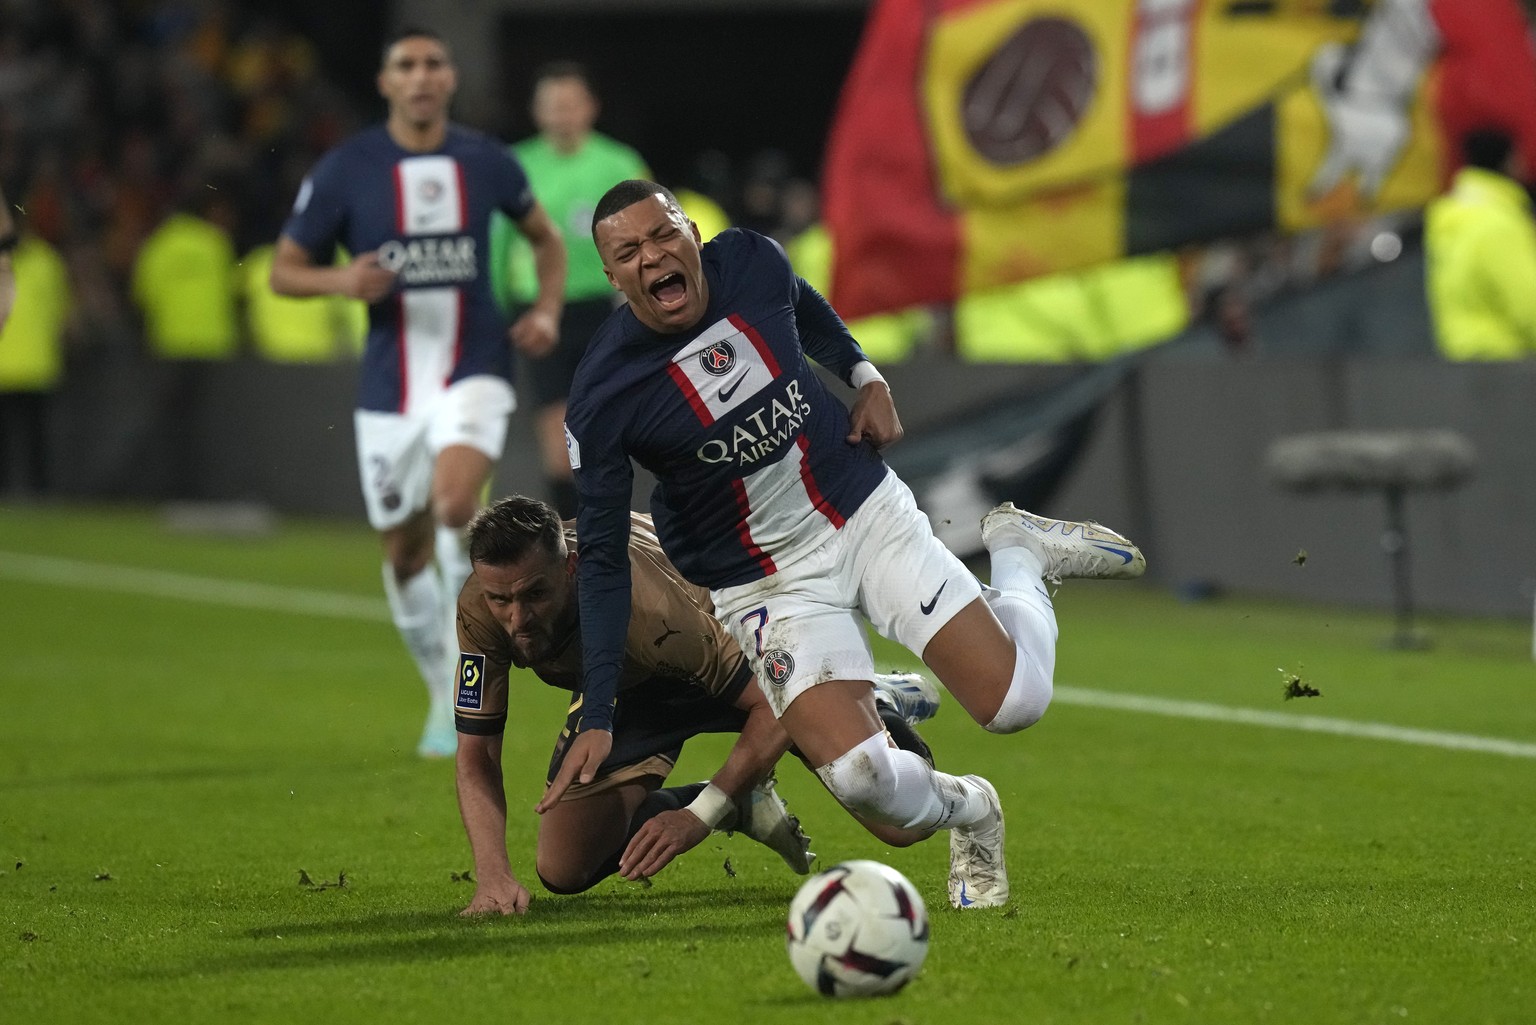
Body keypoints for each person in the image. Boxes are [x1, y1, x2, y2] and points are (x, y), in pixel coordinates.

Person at [562, 181, 1146, 910]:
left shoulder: (748, 260)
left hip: (861, 511)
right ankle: (974, 809)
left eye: (663, 234)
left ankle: (1021, 552)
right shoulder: (603, 395)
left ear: (690, 232)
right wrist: (597, 714)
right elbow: (607, 556)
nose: (653, 256)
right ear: (613, 276)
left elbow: (802, 303)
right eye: (629, 251)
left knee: (1017, 704)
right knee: (876, 794)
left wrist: (864, 373)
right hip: (766, 585)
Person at [270, 28, 568, 757]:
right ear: (386, 82)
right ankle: (441, 683)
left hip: (477, 364)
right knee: (403, 548)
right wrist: (343, 280)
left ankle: (469, 679)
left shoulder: (486, 160)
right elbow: (285, 270)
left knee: (456, 503)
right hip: (390, 389)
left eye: (434, 63)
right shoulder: (348, 169)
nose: (422, 76)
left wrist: (547, 310)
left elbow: (547, 239)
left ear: (450, 78)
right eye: (406, 64)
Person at [453, 494, 940, 913]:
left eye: (535, 595)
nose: (517, 618)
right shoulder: (479, 610)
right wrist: (493, 876)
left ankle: (862, 692)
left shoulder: (647, 613)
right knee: (564, 867)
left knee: (903, 824)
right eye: (501, 600)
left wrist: (699, 816)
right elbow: (478, 753)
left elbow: (774, 703)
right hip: (633, 686)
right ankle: (742, 802)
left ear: (572, 569)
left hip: (740, 657)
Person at [488, 63, 647, 518]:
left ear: (590, 108)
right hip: (541, 311)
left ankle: (626, 538)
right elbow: (496, 241)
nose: (561, 115)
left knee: (611, 432)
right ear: (536, 111)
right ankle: (574, 545)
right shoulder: (516, 165)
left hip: (608, 307)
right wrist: (497, 311)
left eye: (570, 104)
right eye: (552, 106)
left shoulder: (619, 163)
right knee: (559, 443)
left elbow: (649, 235)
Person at [1424, 127, 1536, 360]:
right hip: (1506, 361)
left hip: (1461, 356)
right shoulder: (1497, 222)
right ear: (1508, 162)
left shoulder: (1454, 215)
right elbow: (1529, 303)